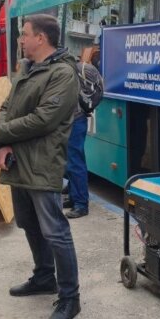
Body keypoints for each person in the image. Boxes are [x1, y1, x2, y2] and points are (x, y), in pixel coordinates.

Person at [0, 13, 81, 319]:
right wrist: (1, 143)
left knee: (55, 230)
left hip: (42, 163)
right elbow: (6, 107)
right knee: (28, 223)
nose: (21, 40)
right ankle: (44, 277)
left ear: (41, 38)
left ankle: (70, 297)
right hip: (18, 160)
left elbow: (44, 119)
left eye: (25, 34)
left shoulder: (63, 73)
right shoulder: (28, 69)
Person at [63, 60, 103, 219]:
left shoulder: (62, 69)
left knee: (75, 162)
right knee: (72, 160)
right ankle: (74, 197)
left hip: (73, 120)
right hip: (74, 119)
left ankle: (81, 204)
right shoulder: (67, 66)